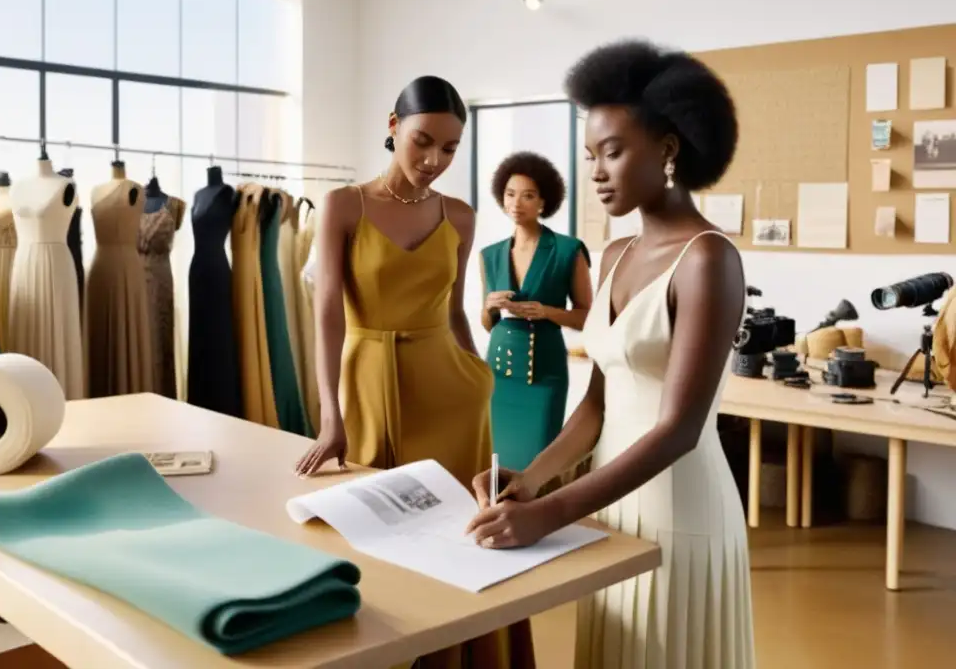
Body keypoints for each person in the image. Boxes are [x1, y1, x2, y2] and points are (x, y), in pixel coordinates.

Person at [466, 40, 755, 668]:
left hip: (681, 506)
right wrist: (532, 478)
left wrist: (549, 514)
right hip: (610, 500)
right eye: (591, 153)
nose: (596, 171)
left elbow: (679, 430)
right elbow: (597, 402)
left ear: (669, 151)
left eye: (614, 152)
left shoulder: (708, 259)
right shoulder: (615, 254)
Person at [294, 76, 535, 668]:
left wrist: (478, 375)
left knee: (461, 541)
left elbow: (454, 311)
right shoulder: (344, 204)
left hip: (453, 395)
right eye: (423, 141)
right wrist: (331, 414)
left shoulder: (460, 215)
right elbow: (327, 310)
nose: (434, 160)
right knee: (378, 542)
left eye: (450, 149)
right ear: (393, 126)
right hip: (366, 382)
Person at [480, 152, 592, 473]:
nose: (517, 203)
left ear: (544, 202)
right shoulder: (490, 255)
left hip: (545, 370)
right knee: (497, 459)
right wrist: (489, 306)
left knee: (537, 461)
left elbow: (587, 316)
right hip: (499, 371)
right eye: (510, 194)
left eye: (528, 195)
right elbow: (489, 325)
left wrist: (547, 312)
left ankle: (540, 516)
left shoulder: (568, 249)